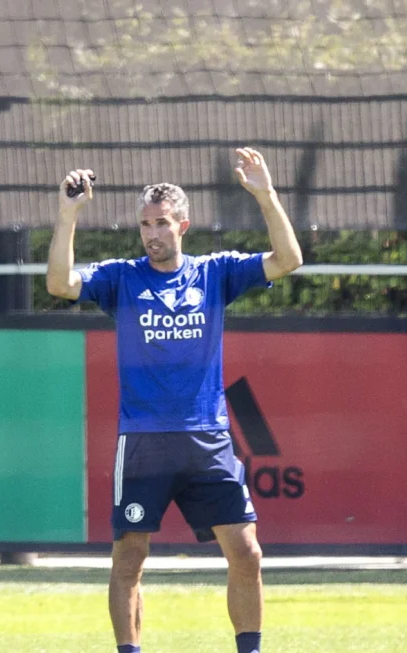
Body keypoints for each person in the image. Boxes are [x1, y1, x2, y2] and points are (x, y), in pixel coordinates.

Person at [46, 148, 302, 653]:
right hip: (144, 442)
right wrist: (67, 214)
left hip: (208, 438)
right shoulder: (122, 278)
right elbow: (59, 283)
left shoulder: (215, 273)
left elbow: (289, 260)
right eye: (145, 224)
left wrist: (266, 196)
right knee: (129, 558)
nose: (152, 233)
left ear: (183, 225)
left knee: (247, 553)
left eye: (161, 222)